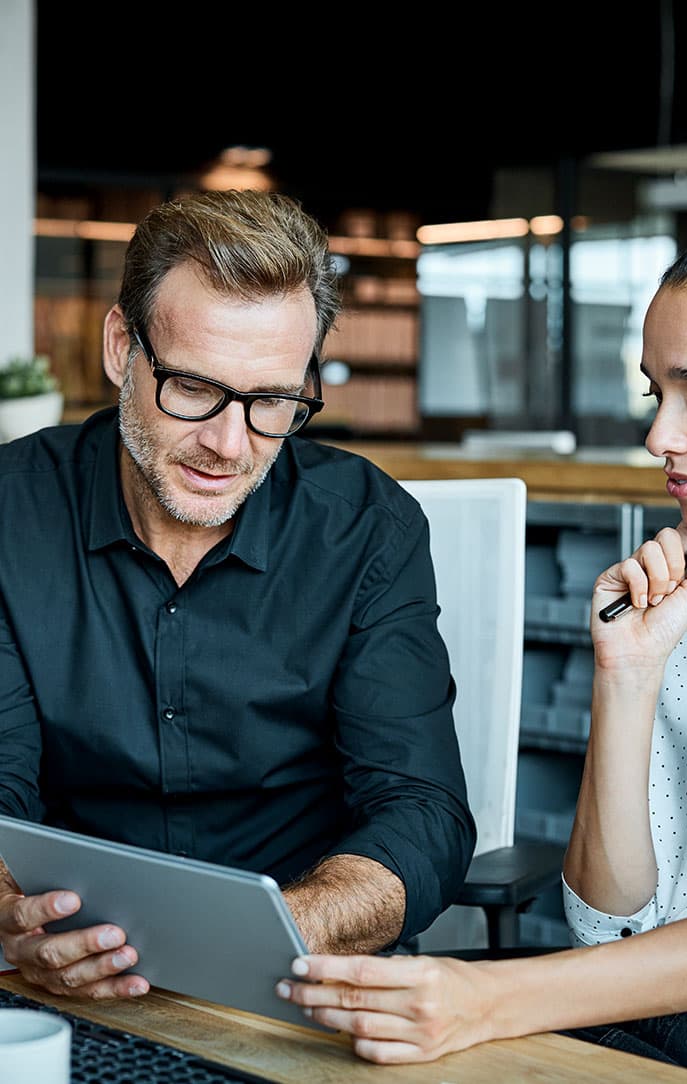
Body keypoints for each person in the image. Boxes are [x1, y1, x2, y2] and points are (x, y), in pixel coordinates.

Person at [278, 213, 687, 1083]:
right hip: (686, 1022)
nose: (660, 436)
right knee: (352, 1034)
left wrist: (491, 1002)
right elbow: (607, 926)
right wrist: (626, 677)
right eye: (656, 394)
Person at [0, 188, 476, 1001]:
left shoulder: (367, 529)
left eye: (273, 403)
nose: (229, 445)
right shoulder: (12, 512)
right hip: (63, 978)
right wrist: (11, 914)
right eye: (192, 387)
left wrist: (280, 930)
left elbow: (421, 813)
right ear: (123, 348)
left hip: (301, 976)